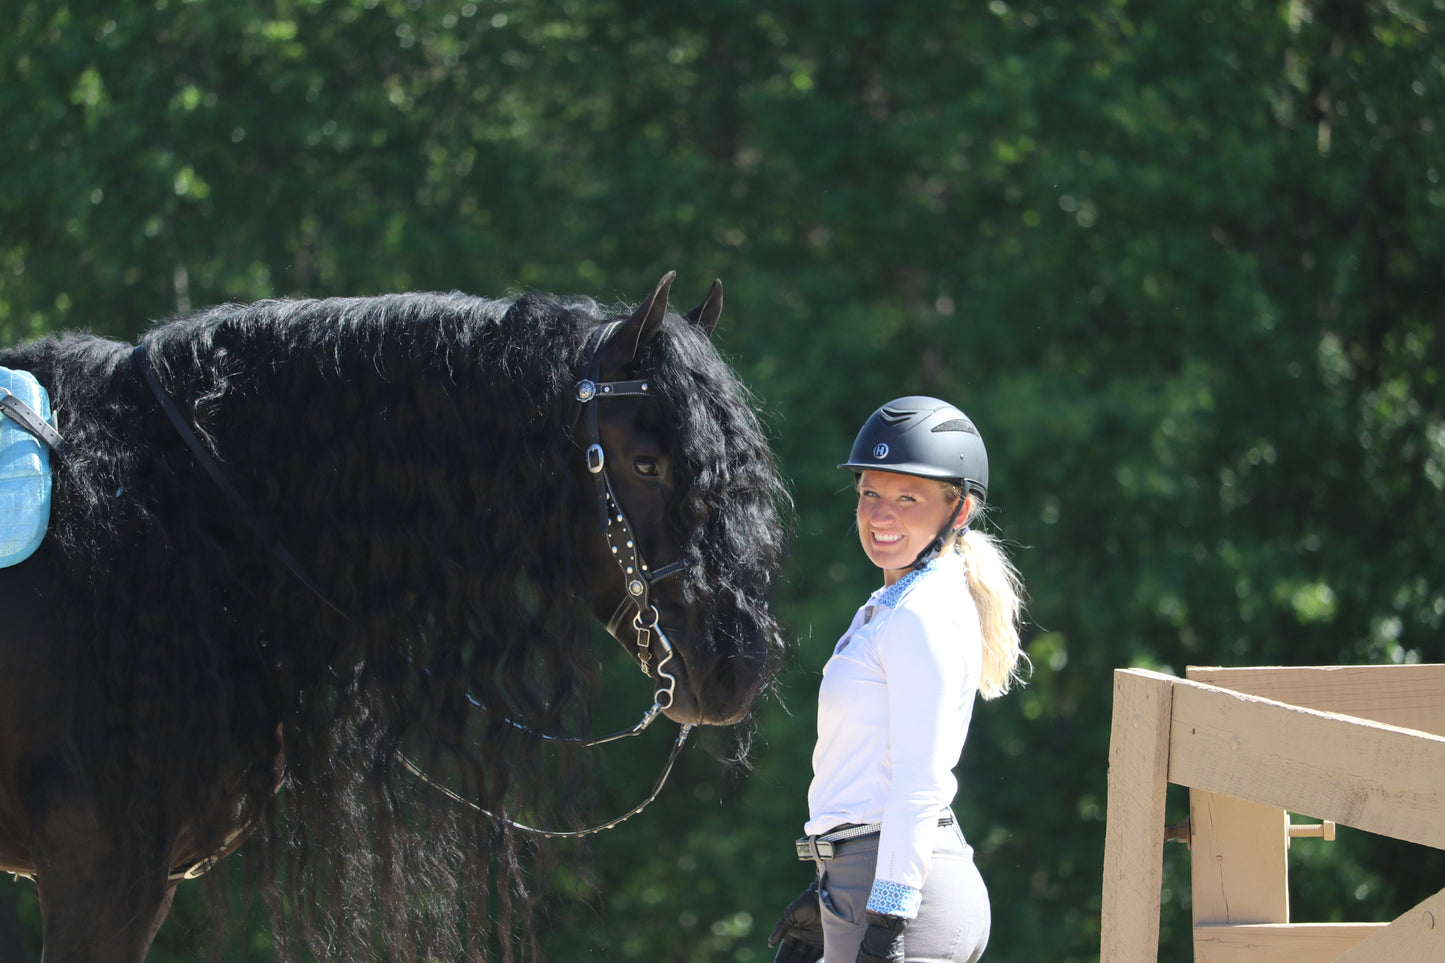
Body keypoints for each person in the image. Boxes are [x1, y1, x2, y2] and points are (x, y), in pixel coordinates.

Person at [769, 396, 1028, 963]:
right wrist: (831, 887)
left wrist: (886, 916)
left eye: (907, 498)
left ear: (957, 512)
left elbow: (919, 781)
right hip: (863, 876)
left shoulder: (921, 611)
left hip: (903, 892)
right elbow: (866, 770)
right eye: (869, 493)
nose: (880, 515)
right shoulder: (891, 604)